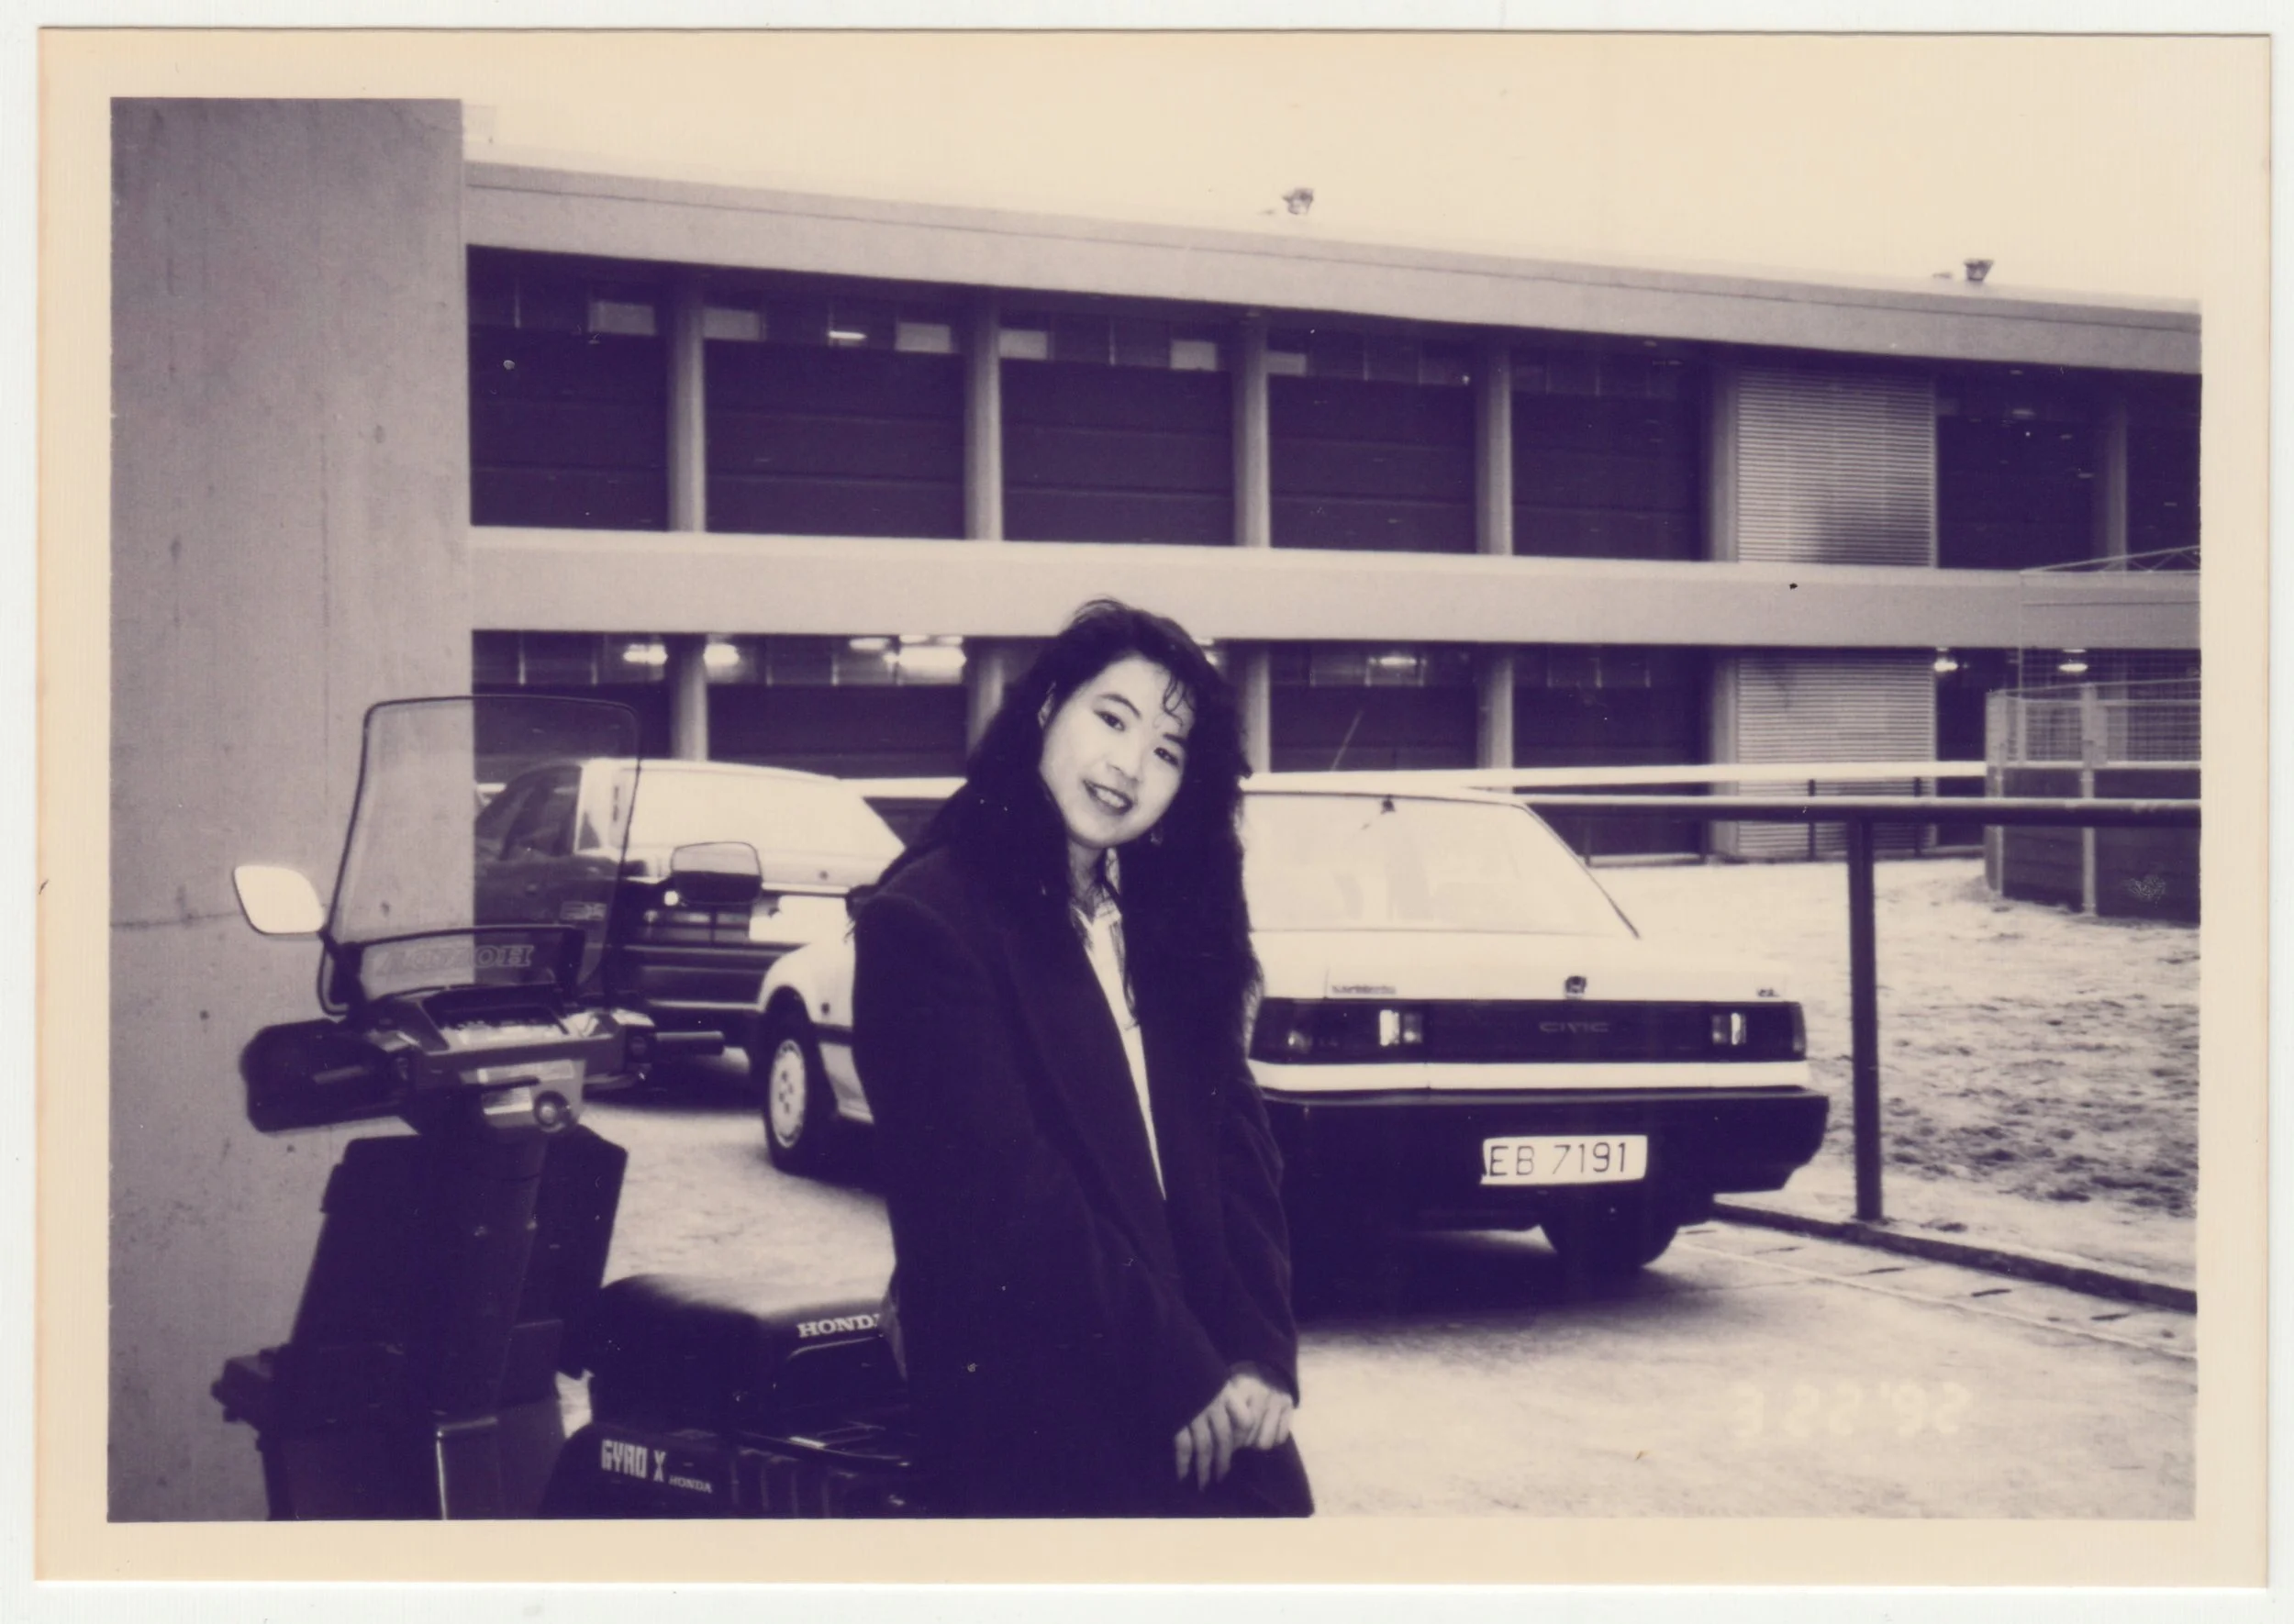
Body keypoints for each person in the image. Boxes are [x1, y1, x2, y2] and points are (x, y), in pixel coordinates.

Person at [852, 599, 1313, 1518]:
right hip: (1044, 1409)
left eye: (1169, 751)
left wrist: (1260, 1352)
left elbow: (1237, 1141)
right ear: (1046, 706)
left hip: (1209, 1391)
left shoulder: (1167, 916)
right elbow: (1010, 1197)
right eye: (1112, 718)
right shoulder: (928, 920)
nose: (1130, 765)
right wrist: (1181, 1375)